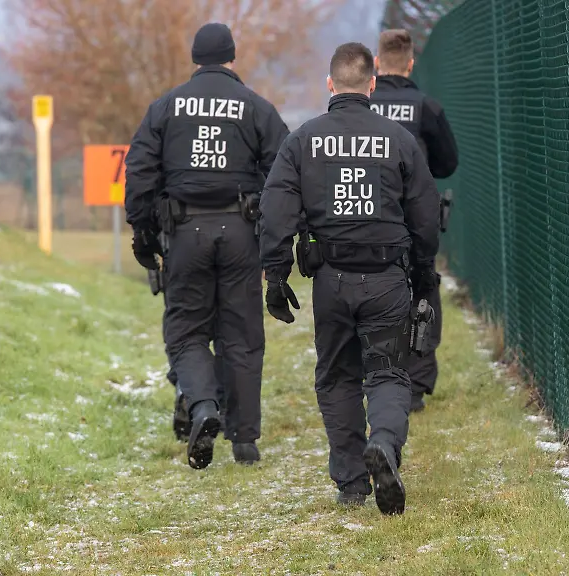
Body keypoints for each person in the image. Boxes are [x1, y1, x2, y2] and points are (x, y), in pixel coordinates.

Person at [259, 42, 441, 515]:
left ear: (330, 85)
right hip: (386, 280)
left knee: (337, 377)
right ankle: (382, 443)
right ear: (373, 84)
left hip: (332, 281)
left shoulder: (303, 140)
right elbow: (423, 216)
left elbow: (276, 209)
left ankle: (352, 484)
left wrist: (275, 277)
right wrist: (424, 280)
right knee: (388, 374)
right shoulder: (398, 139)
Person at [125, 22, 290, 469]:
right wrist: (273, 235)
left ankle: (203, 408)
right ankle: (245, 441)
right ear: (232, 59)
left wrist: (142, 232)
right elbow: (283, 169)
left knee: (188, 331)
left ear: (196, 59)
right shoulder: (256, 107)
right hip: (241, 232)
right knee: (241, 334)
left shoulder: (165, 108)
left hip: (184, 233)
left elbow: (139, 169)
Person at [371, 29, 459, 413]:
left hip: (368, 216)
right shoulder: (426, 106)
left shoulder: (361, 104)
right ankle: (416, 386)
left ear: (376, 63)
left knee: (373, 290)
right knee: (423, 288)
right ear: (410, 63)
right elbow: (447, 163)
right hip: (416, 217)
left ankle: (378, 372)